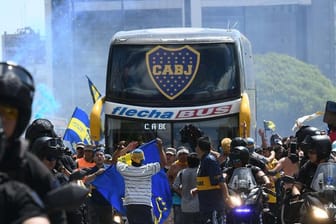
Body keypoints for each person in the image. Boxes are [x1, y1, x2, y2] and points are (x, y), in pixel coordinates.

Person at [0, 61, 66, 224]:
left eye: (8, 112)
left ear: (20, 119)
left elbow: (55, 217)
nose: (1, 119)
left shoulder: (32, 171)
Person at [112, 138, 167, 224]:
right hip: (145, 204)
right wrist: (160, 147)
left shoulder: (125, 169)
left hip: (130, 204)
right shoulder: (148, 169)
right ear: (142, 159)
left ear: (131, 159)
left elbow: (114, 161)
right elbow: (163, 163)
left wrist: (124, 149)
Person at [191, 136, 231, 223]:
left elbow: (220, 181)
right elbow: (208, 181)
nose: (195, 148)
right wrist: (198, 189)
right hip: (205, 205)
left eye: (197, 146)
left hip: (213, 205)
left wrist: (227, 197)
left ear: (200, 148)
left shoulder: (210, 160)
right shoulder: (203, 160)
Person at [84, 146, 113, 224]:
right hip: (94, 204)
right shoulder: (90, 170)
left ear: (104, 157)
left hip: (107, 203)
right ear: (93, 158)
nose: (99, 157)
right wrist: (96, 174)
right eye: (97, 155)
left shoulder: (109, 170)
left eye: (101, 155)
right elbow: (86, 180)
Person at [172, 152, 201, 224]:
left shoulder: (182, 172)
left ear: (187, 162)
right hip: (199, 206)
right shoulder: (200, 172)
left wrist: (182, 194)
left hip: (185, 206)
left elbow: (175, 187)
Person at [166, 146, 189, 224]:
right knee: (178, 219)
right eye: (181, 154)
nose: (183, 156)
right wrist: (173, 187)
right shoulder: (174, 166)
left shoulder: (190, 165)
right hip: (176, 197)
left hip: (189, 196)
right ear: (178, 156)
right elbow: (168, 178)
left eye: (185, 154)